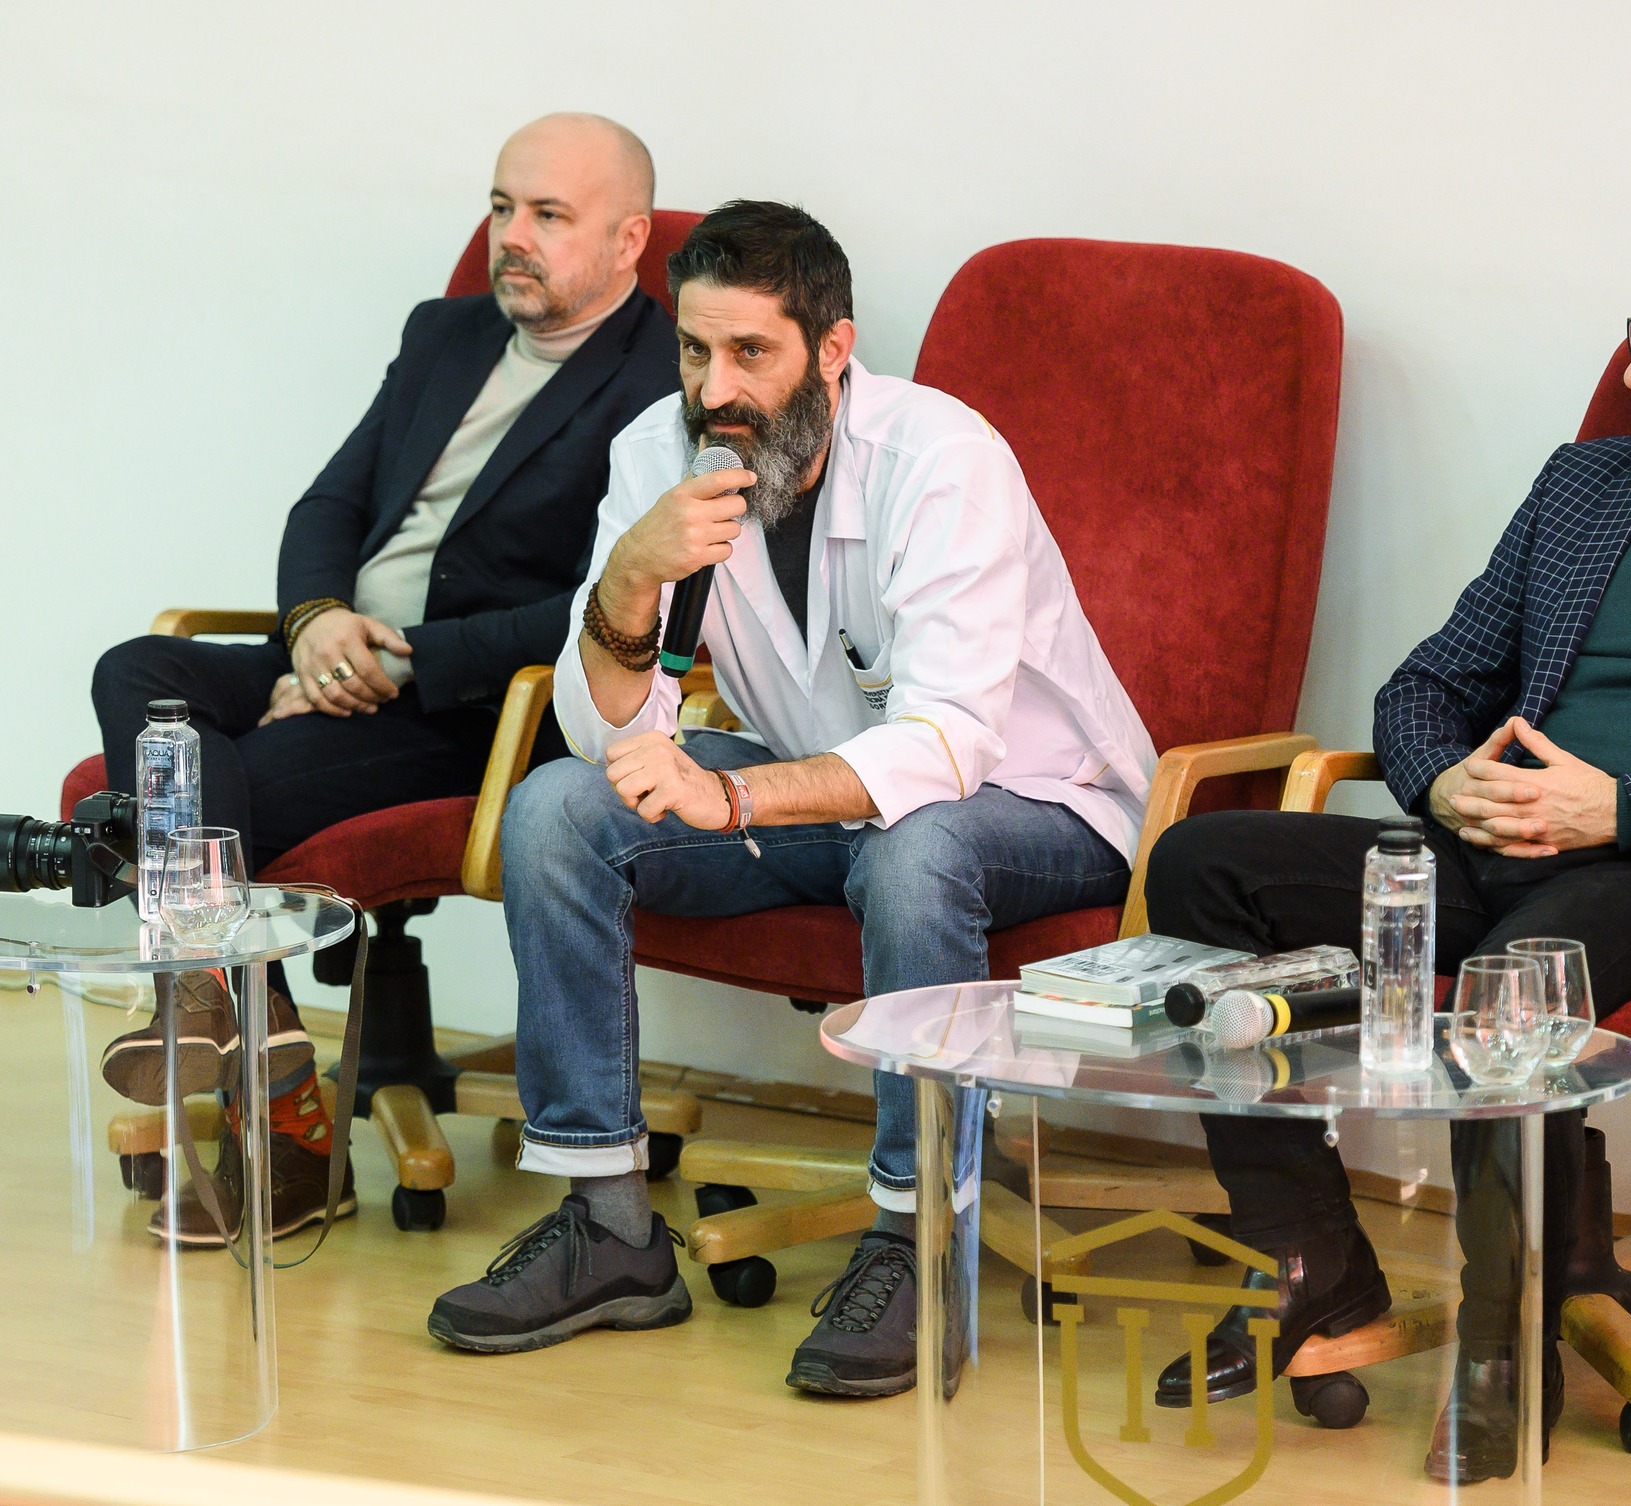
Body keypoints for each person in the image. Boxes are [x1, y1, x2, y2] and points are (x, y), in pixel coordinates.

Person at [1142, 221, 1631, 1482]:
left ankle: (1501, 1343)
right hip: (1488, 842)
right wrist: (1442, 780)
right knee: (1200, 863)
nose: (1630, 372)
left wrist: (1620, 810)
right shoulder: (1583, 485)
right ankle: (1309, 1266)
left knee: (1510, 988)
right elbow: (1427, 683)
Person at [427, 201, 1155, 1395]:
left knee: (915, 849)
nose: (713, 389)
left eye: (749, 353)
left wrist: (732, 800)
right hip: (815, 795)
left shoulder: (941, 457)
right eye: (693, 350)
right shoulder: (656, 456)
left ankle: (919, 1239)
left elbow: (947, 745)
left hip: (1036, 803)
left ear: (831, 349)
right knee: (557, 813)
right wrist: (626, 582)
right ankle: (607, 1229)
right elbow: (608, 734)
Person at [90, 113, 681, 1247]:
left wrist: (398, 659)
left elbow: (610, 600)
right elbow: (331, 504)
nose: (511, 235)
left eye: (548, 215)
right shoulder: (444, 333)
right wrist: (315, 627)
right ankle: (257, 1047)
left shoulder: (660, 382)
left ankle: (277, 1120)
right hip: (339, 654)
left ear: (628, 240)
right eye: (500, 207)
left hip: (475, 708)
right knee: (140, 675)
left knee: (190, 792)